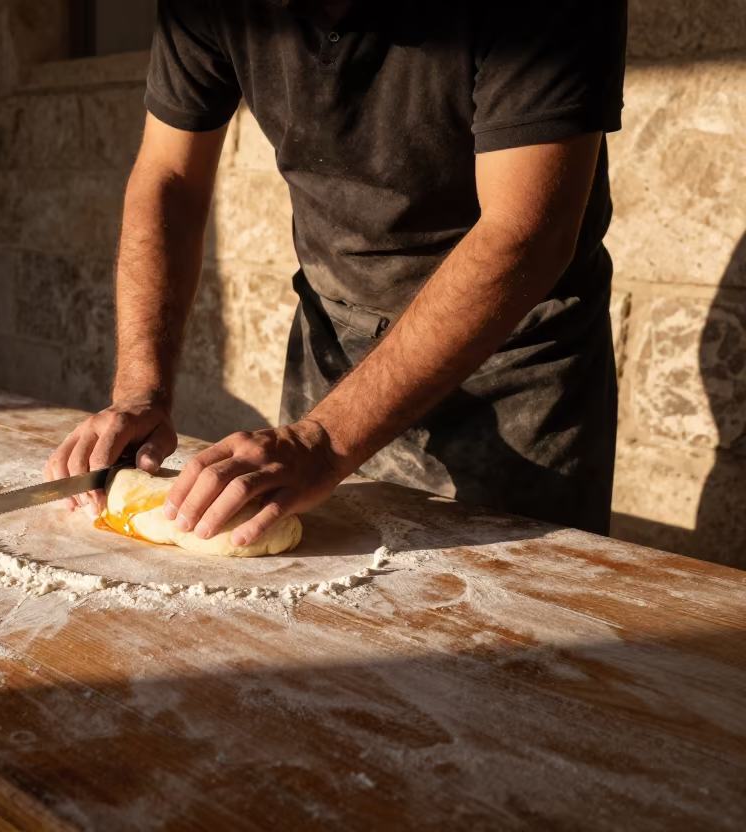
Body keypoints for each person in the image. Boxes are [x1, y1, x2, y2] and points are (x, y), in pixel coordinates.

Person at [45, 0, 628, 546]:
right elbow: (170, 177)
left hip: (515, 354)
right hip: (333, 342)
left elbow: (526, 233)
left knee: (512, 632)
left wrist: (323, 442)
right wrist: (140, 389)